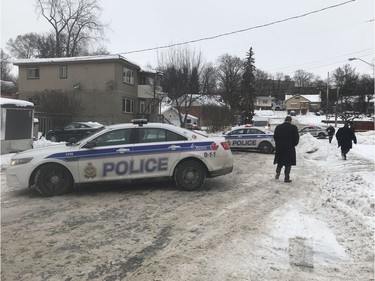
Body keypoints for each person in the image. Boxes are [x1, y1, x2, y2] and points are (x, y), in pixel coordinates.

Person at [273, 116, 300, 183]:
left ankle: (277, 173)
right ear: (290, 121)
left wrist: (278, 144)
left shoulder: (278, 127)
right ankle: (286, 178)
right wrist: (293, 144)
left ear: (285, 120)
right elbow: (296, 138)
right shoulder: (293, 128)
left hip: (280, 148)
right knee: (288, 164)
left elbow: (275, 137)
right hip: (289, 148)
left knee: (280, 161)